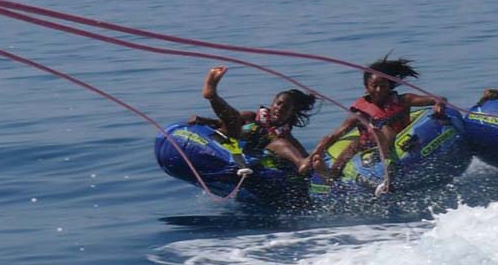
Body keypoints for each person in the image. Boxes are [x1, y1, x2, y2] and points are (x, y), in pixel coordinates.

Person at [310, 57, 447, 181]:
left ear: (390, 86)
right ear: (367, 88)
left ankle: (386, 163)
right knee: (353, 145)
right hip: (369, 145)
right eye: (374, 86)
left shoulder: (404, 100)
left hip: (400, 140)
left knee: (386, 129)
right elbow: (337, 134)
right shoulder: (360, 113)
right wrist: (320, 150)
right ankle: (330, 173)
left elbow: (437, 99)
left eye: (383, 86)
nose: (379, 89)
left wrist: (439, 104)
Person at [190, 66, 317, 174]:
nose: (280, 108)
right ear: (272, 104)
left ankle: (300, 164)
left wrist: (310, 162)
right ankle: (212, 96)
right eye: (278, 104)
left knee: (281, 143)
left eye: (286, 107)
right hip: (231, 142)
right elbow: (220, 122)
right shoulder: (251, 116)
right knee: (234, 120)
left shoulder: (285, 136)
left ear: (291, 112)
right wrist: (203, 120)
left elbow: (302, 152)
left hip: (256, 155)